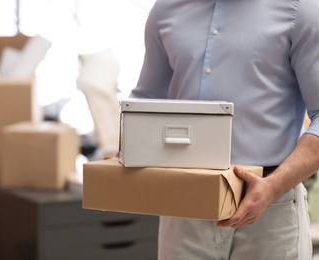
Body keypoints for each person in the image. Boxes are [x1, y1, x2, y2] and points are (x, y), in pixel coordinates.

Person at [129, 0, 319, 259]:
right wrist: (125, 149)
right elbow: (146, 101)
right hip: (183, 206)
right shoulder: (165, 9)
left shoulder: (300, 9)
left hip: (273, 210)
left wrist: (273, 186)